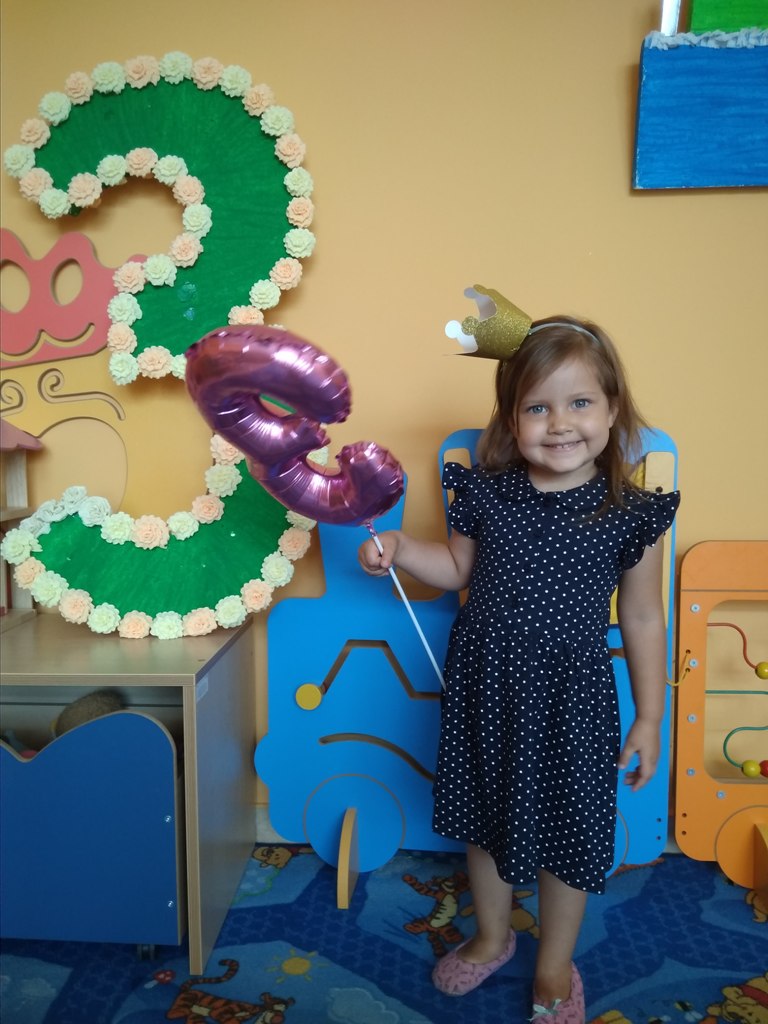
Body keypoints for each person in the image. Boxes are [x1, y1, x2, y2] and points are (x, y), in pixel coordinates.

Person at [358, 311, 680, 1023]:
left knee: (570, 835)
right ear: (511, 418)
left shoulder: (631, 513)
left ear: (613, 409)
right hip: (489, 692)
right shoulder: (486, 492)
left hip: (572, 703)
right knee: (486, 822)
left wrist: (651, 716)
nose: (560, 423)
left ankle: (555, 964)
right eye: (537, 407)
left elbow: (643, 618)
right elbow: (455, 570)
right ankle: (492, 936)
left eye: (580, 402)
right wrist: (400, 550)